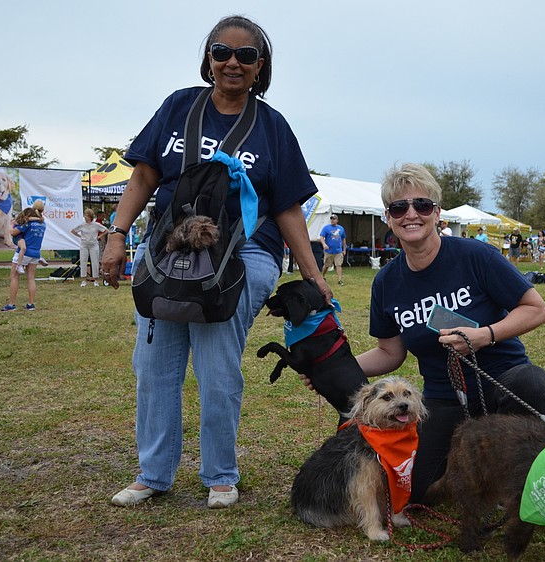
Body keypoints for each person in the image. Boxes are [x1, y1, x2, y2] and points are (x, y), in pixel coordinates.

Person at [100, 15, 331, 510]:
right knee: (155, 363)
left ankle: (220, 474)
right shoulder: (179, 106)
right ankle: (153, 473)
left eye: (245, 56)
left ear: (260, 67)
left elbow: (288, 206)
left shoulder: (270, 126)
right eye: (222, 52)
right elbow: (143, 176)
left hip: (244, 251)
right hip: (169, 248)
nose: (232, 62)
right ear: (208, 58)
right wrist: (117, 236)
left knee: (215, 358)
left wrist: (313, 275)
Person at [348, 162, 545, 504]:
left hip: (504, 382)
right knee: (416, 494)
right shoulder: (387, 282)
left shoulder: (476, 256)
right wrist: (334, 368)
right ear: (389, 218)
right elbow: (390, 352)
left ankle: (522, 475)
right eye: (399, 208)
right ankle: (477, 470)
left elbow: (536, 309)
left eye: (422, 205)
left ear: (437, 213)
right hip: (445, 397)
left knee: (534, 382)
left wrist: (485, 335)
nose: (411, 214)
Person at [0, 201, 47, 312]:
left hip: (24, 252)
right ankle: (31, 304)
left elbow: (13, 232)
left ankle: (11, 304)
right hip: (36, 253)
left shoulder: (27, 223)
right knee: (31, 278)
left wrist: (11, 224)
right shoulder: (43, 223)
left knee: (14, 277)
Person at [70, 208, 108, 287]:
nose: (85, 217)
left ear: (90, 216)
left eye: (86, 215)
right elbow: (73, 231)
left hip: (93, 245)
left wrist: (99, 236)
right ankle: (83, 280)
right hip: (84, 245)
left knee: (95, 262)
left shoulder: (96, 225)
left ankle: (96, 280)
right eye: (85, 215)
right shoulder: (82, 225)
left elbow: (106, 230)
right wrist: (80, 236)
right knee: (83, 261)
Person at [319, 214, 346, 286]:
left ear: (337, 220)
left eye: (334, 219)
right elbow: (321, 237)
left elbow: (343, 239)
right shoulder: (326, 228)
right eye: (331, 219)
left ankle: (340, 280)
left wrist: (344, 249)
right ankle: (323, 276)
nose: (332, 220)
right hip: (329, 251)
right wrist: (324, 244)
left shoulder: (341, 228)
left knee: (338, 265)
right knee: (327, 265)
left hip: (338, 251)